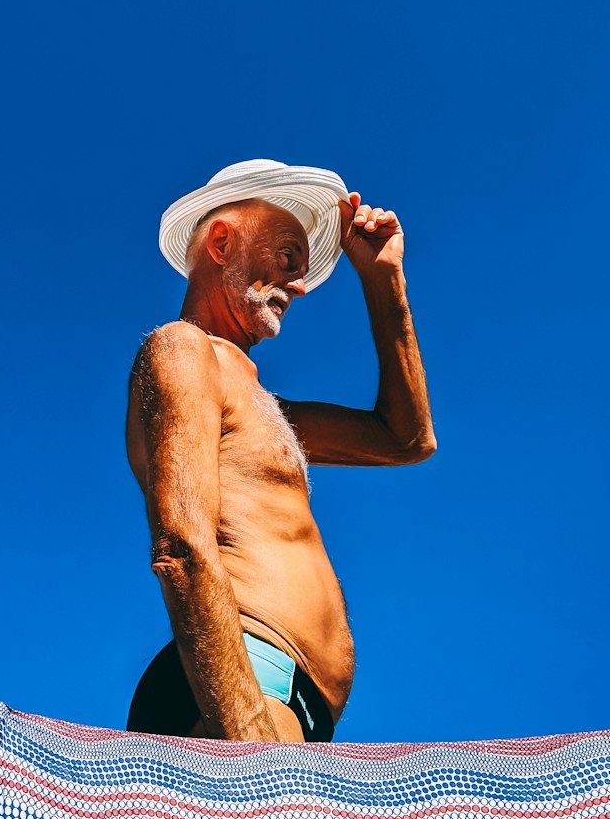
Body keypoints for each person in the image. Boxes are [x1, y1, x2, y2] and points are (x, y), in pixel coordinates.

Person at [125, 159, 436, 743]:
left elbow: (408, 439)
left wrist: (383, 279)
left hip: (283, 697)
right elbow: (182, 545)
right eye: (289, 258)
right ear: (221, 241)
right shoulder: (185, 352)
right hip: (238, 681)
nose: (298, 284)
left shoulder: (267, 409)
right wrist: (251, 743)